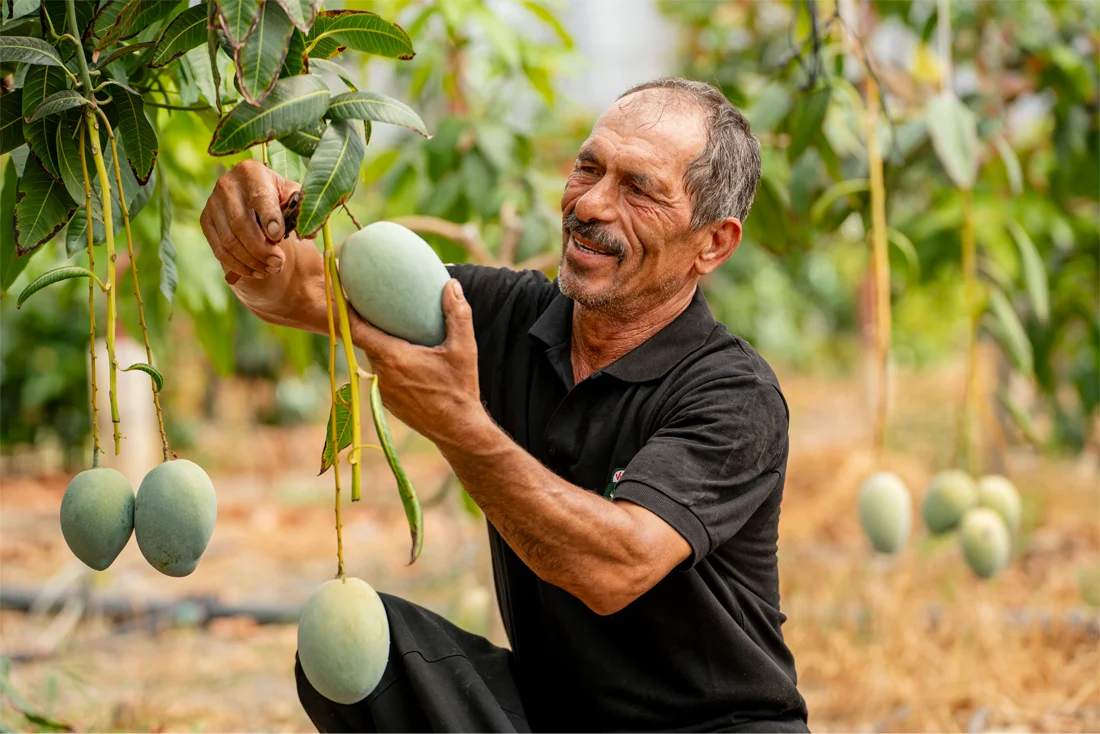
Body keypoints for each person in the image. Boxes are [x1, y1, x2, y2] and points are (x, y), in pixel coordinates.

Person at [200, 77, 809, 733]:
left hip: (712, 728)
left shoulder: (735, 394)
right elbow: (301, 290)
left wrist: (457, 422)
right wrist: (254, 241)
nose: (592, 204)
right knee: (369, 657)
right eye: (588, 166)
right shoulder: (495, 316)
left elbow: (614, 567)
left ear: (712, 243)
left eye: (638, 189)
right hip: (559, 715)